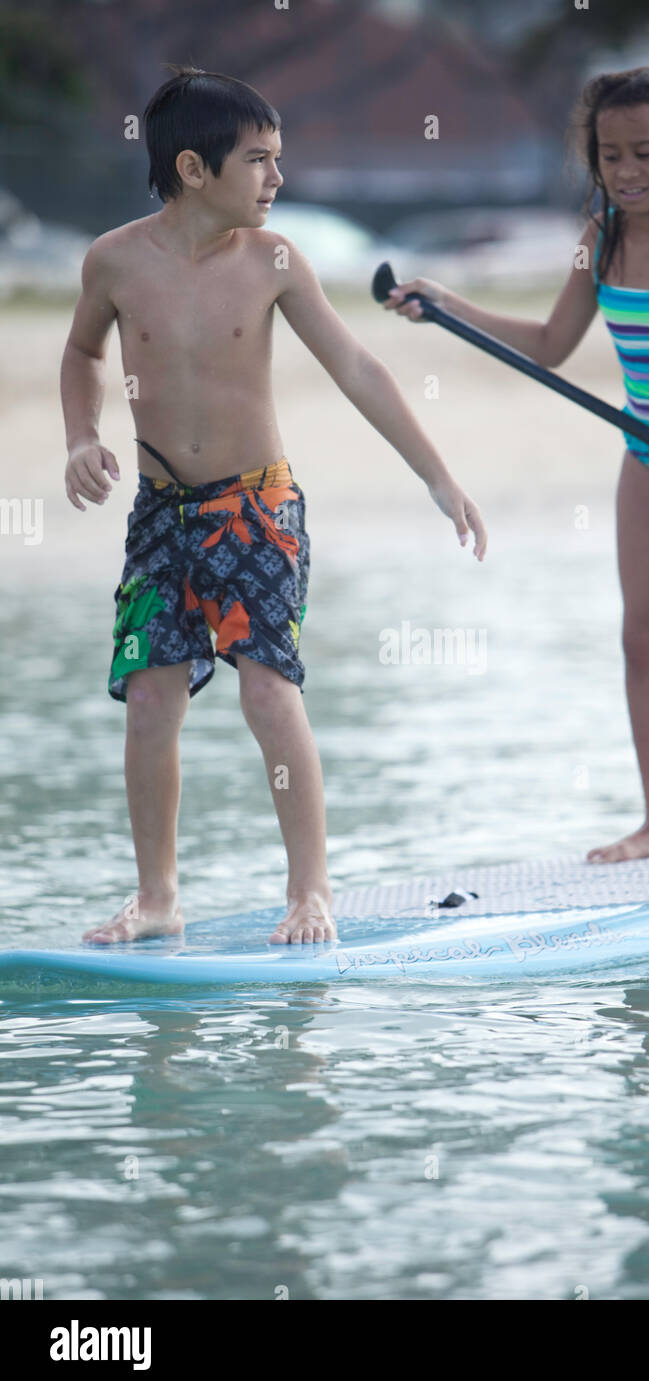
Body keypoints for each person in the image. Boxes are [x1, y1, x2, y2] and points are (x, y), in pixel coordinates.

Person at [61, 66, 487, 947]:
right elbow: (82, 354)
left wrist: (437, 475)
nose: (277, 178)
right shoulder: (113, 260)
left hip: (258, 509)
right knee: (150, 698)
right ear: (192, 168)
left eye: (277, 158)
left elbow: (358, 368)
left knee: (267, 691)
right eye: (258, 160)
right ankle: (159, 896)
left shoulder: (275, 262)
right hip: (161, 511)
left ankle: (311, 892)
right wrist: (79, 435)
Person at [384, 65, 649, 870]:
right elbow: (550, 345)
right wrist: (448, 307)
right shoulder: (601, 239)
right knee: (641, 636)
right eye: (610, 155)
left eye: (645, 152)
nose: (626, 171)